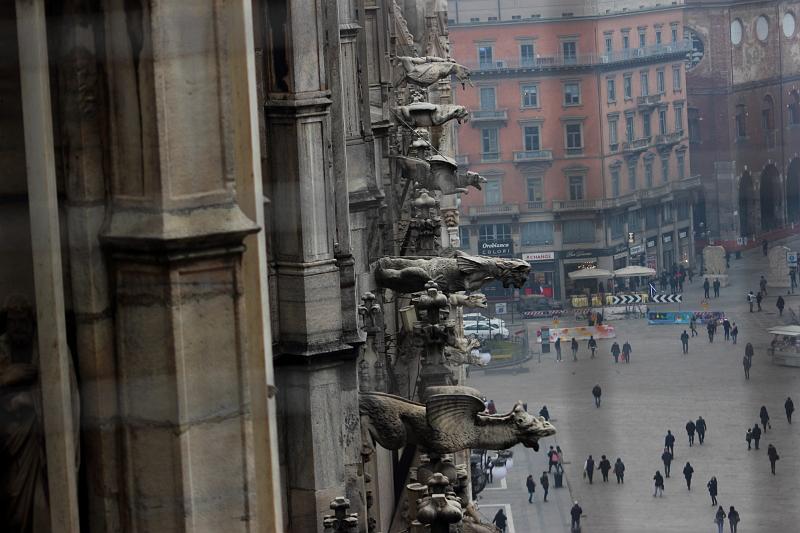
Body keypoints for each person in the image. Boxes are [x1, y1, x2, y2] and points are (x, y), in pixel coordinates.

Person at [0, 295, 80, 533]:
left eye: (22, 322)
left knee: (42, 511)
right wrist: (4, 379)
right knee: (13, 502)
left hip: (41, 450)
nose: (17, 328)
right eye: (12, 322)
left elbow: (65, 398)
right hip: (10, 448)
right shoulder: (1, 350)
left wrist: (27, 400)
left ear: (32, 322)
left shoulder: (51, 349)